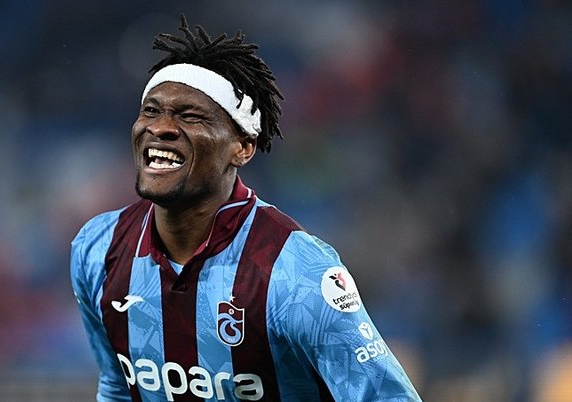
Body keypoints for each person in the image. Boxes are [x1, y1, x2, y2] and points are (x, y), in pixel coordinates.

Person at [70, 15, 421, 402]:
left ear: (242, 147)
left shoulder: (295, 272)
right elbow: (118, 386)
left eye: (190, 116)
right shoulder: (97, 248)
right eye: (151, 111)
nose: (161, 127)